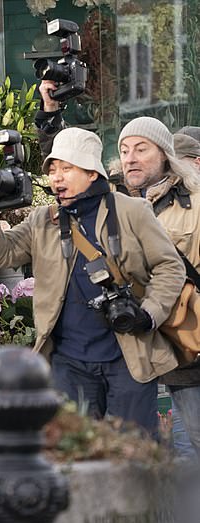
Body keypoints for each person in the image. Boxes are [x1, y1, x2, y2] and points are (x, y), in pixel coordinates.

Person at [0, 127, 186, 436]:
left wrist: (149, 314)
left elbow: (169, 267)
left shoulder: (132, 211)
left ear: (92, 174)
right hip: (67, 362)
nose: (57, 177)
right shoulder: (43, 219)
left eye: (67, 168)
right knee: (74, 452)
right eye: (53, 169)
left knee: (135, 454)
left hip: (128, 355)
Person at [118, 117, 200, 456]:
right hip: (127, 347)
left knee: (192, 445)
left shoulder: (195, 202)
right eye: (124, 150)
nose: (130, 158)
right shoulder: (113, 201)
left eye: (140, 149)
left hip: (183, 347)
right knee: (135, 455)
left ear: (165, 154)